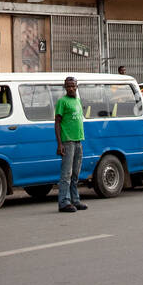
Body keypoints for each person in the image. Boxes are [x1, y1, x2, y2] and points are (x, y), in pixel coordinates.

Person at [54, 76, 86, 213]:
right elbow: (57, 123)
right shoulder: (62, 102)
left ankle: (75, 200)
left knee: (75, 173)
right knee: (66, 173)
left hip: (78, 140)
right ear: (65, 87)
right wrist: (59, 144)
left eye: (73, 86)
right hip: (67, 141)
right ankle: (64, 202)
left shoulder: (77, 101)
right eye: (68, 86)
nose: (71, 88)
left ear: (77, 87)